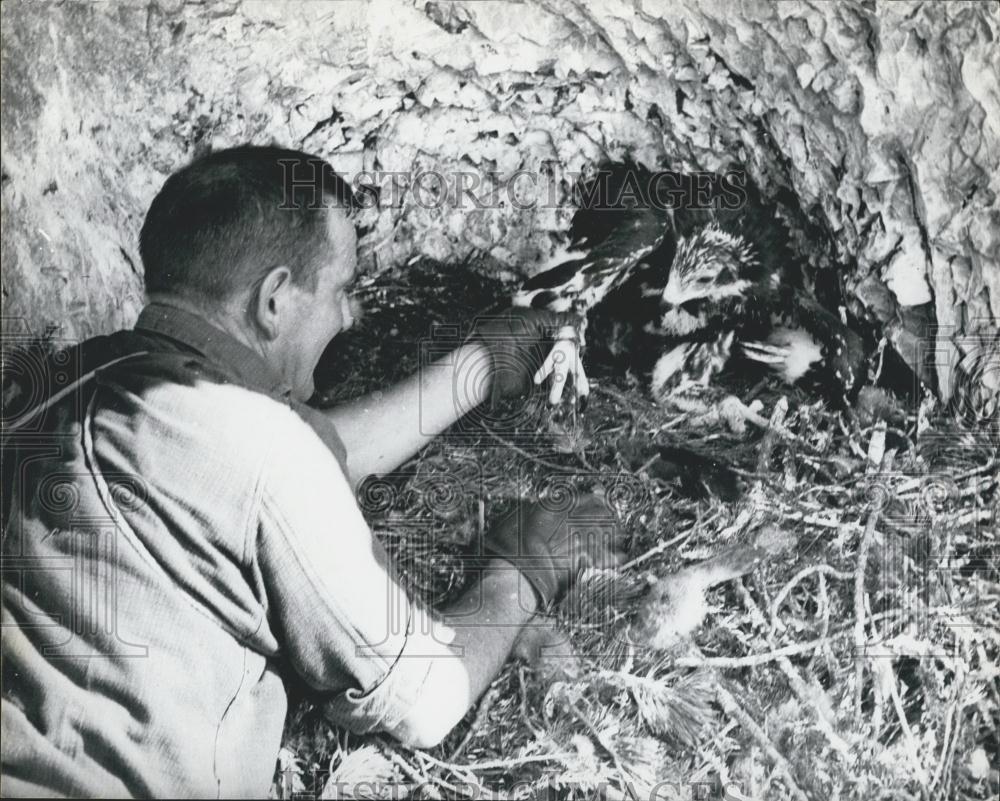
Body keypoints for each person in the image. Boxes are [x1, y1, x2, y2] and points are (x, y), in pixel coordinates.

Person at [0, 146, 621, 798]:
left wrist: (479, 368)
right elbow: (425, 697)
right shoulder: (261, 448)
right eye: (340, 290)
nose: (349, 314)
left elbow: (280, 468)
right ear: (273, 300)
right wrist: (519, 572)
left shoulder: (60, 382)